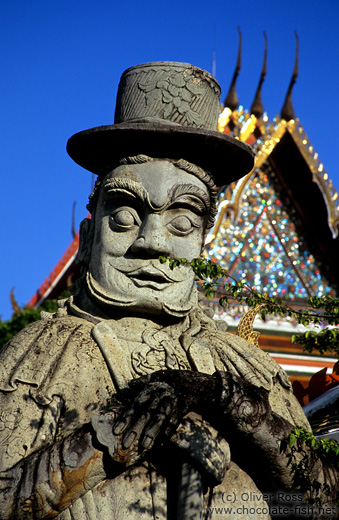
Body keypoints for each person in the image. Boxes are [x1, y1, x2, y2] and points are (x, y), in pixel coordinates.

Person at [0, 62, 337, 520]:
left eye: (182, 221)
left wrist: (224, 398)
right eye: (124, 217)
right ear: (89, 233)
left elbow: (322, 503)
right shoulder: (41, 357)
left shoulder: (245, 366)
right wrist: (113, 435)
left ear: (202, 244)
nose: (153, 242)